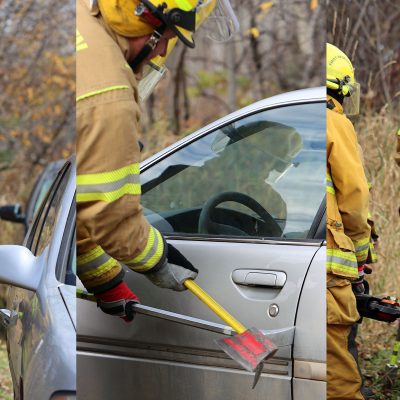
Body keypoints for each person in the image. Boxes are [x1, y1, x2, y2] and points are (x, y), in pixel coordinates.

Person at [76, 0, 238, 320]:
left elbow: (82, 200)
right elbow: (110, 217)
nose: (162, 50)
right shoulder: (109, 95)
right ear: (144, 22)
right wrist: (159, 259)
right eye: (165, 36)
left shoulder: (85, 17)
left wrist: (105, 280)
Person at [326, 43, 372, 400]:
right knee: (337, 375)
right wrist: (360, 253)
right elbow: (354, 197)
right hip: (327, 270)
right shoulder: (333, 120)